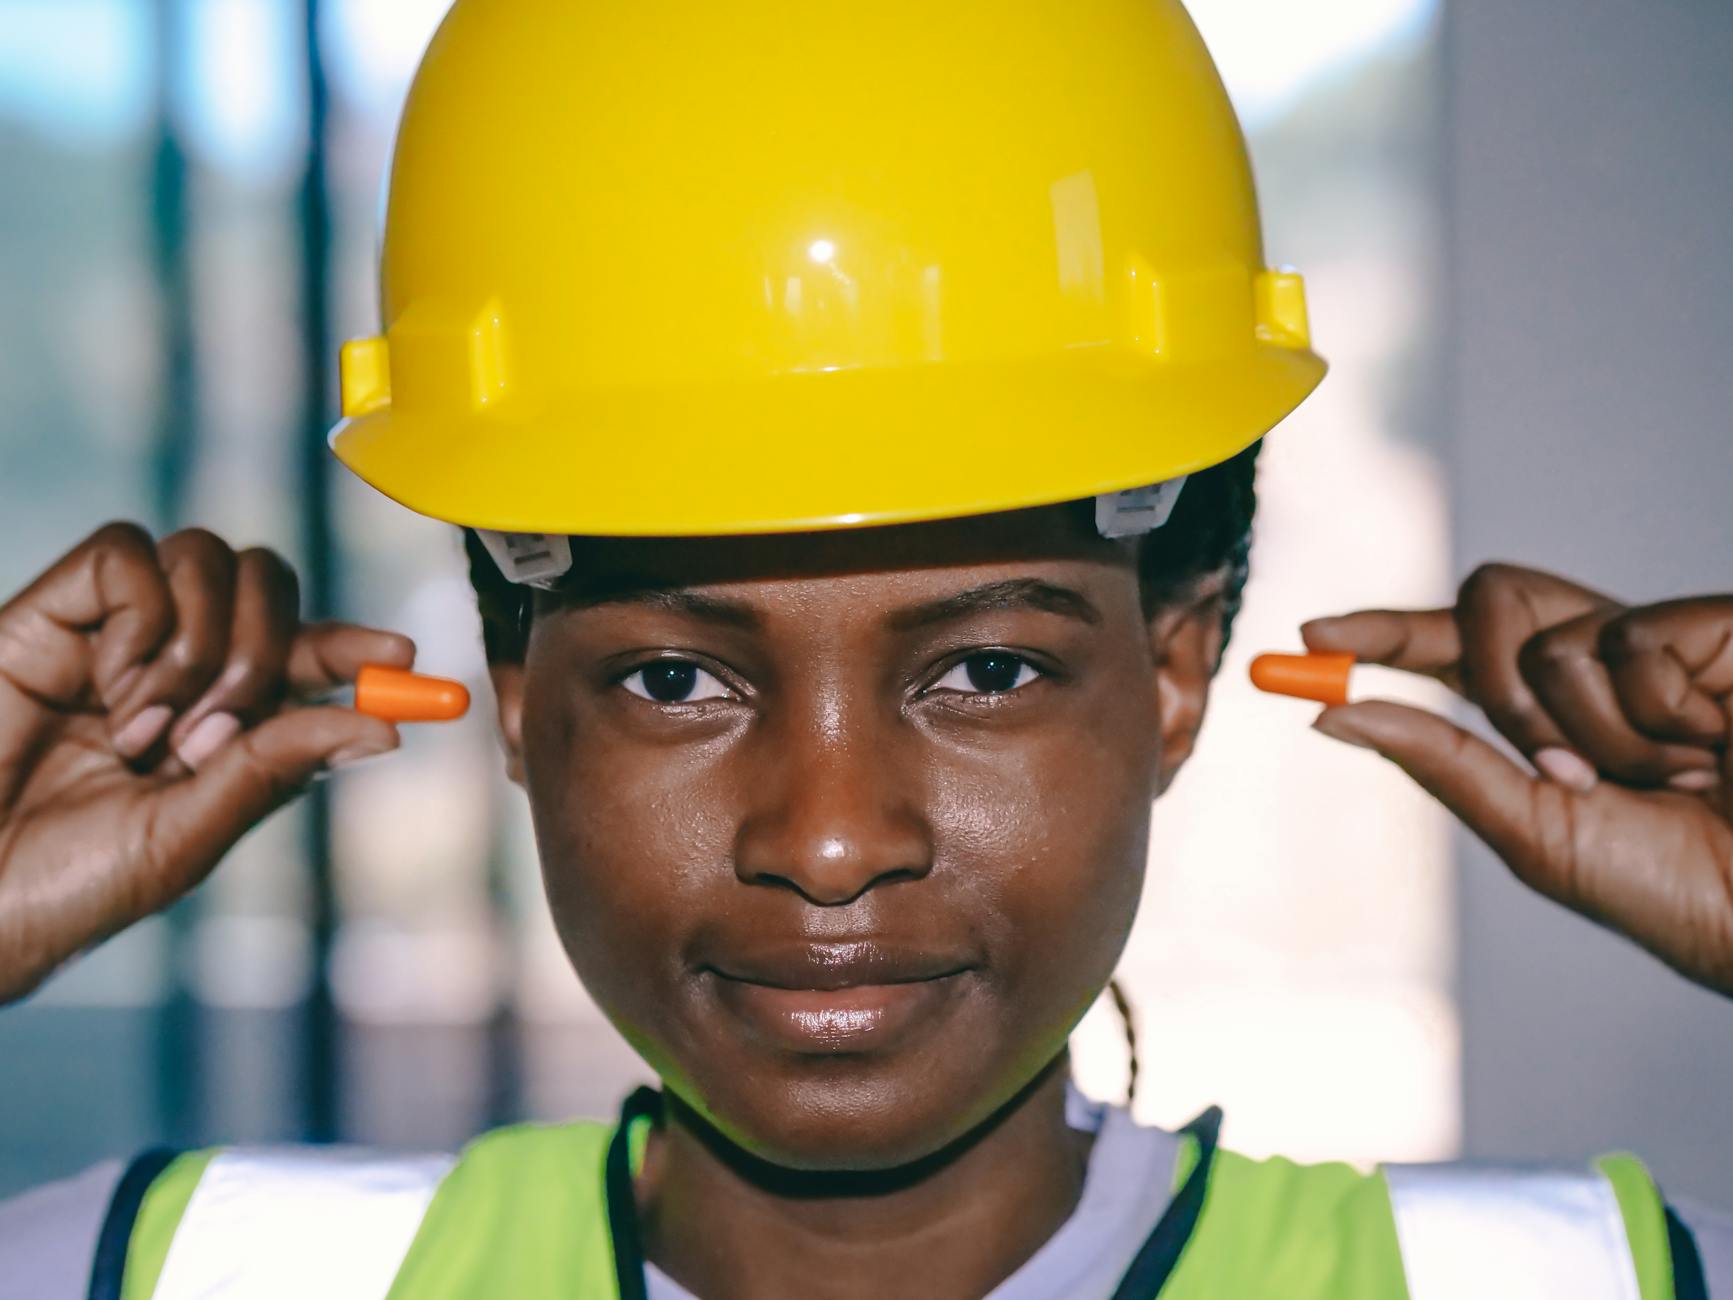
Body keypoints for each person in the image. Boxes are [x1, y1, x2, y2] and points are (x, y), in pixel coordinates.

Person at [1, 1, 1730, 1296]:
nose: (828, 838)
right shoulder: (165, 1274)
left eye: (982, 670)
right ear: (521, 702)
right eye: (677, 678)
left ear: (1177, 670)